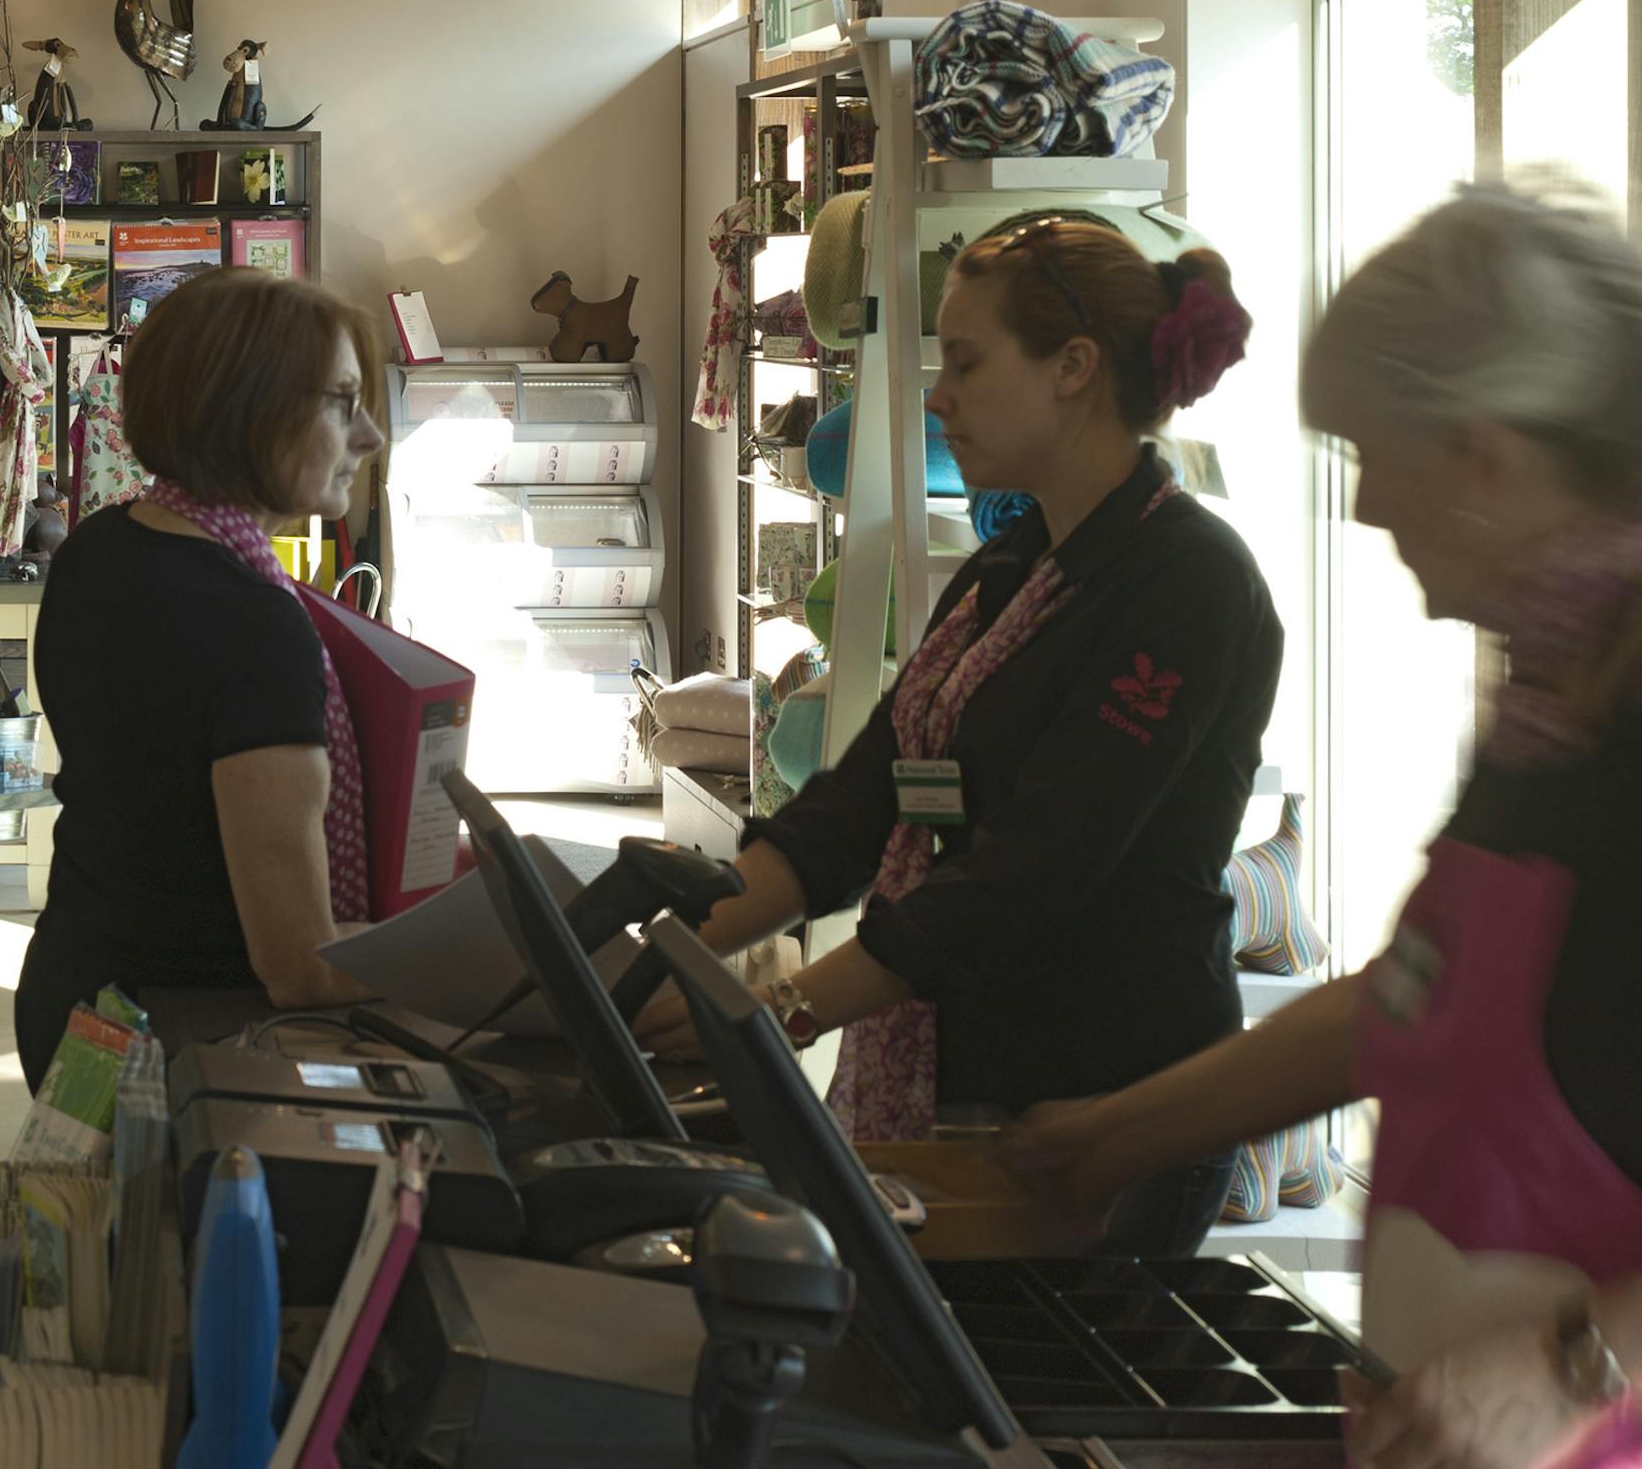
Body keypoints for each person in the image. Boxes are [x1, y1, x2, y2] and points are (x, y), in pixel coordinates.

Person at [1012, 187, 1642, 1469]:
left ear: (1481, 456)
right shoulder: (1553, 692)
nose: (1358, 508)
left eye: (1366, 452)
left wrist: (1576, 1369)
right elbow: (1406, 1010)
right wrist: (1111, 1135)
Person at [676, 207, 1277, 1245]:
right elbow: (866, 794)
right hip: (972, 1078)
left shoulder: (1191, 584)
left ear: (1073, 365)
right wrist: (679, 940)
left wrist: (791, 1010)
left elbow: (1035, 866)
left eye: (964, 361)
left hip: (1105, 1105)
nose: (940, 397)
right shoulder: (1016, 561)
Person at [14, 268, 382, 1086]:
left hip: (73, 998)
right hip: (187, 1046)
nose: (369, 436)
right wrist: (496, 953)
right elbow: (300, 964)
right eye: (342, 401)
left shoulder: (97, 550)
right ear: (253, 407)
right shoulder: (253, 623)